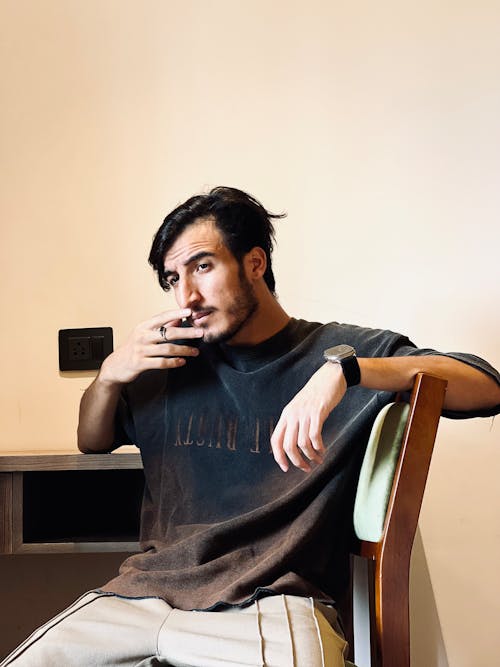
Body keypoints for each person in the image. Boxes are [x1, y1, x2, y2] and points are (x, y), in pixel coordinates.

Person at [4, 186, 499, 667]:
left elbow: (485, 385)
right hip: (139, 597)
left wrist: (345, 371)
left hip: (271, 601)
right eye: (173, 278)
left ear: (255, 263)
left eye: (202, 265)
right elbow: (92, 440)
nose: (188, 295)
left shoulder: (337, 350)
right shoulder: (173, 362)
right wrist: (111, 371)